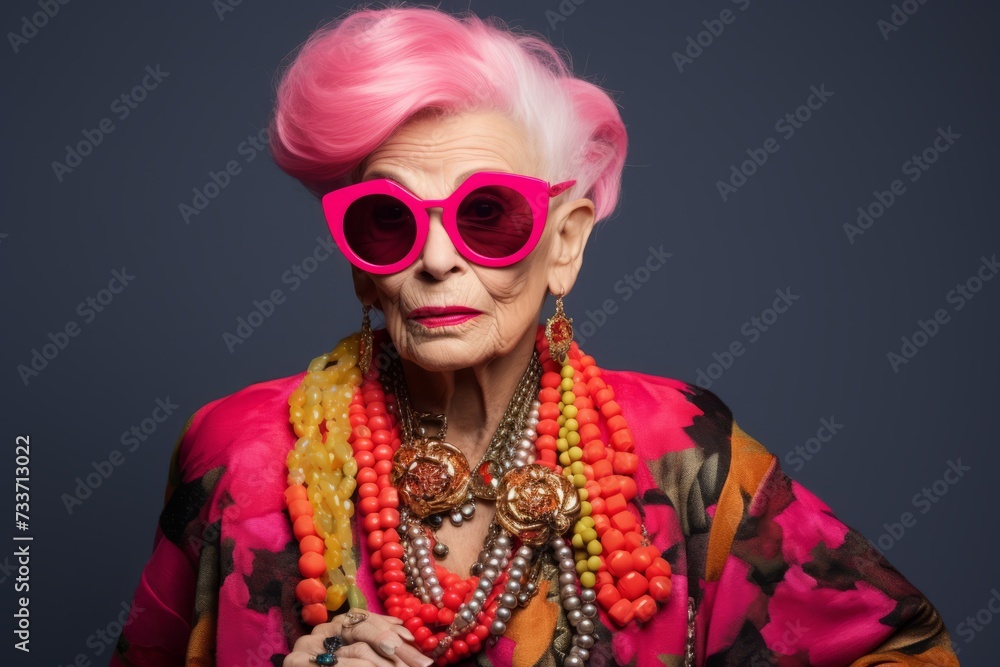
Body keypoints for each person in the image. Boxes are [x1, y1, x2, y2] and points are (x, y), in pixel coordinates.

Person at [112, 5, 959, 667]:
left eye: (487, 215)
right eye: (388, 221)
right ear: (362, 264)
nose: (437, 260)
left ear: (565, 244)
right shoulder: (238, 452)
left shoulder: (681, 452)